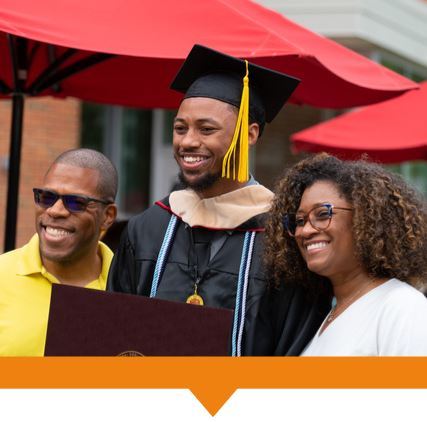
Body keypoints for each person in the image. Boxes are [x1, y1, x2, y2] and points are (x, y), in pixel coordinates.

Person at [107, 44, 329, 356]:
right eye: (180, 128)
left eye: (206, 129)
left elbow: (297, 349)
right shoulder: (148, 230)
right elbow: (115, 337)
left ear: (250, 134)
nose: (188, 142)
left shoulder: (287, 239)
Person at [265, 153, 427, 356]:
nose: (305, 231)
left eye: (323, 214)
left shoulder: (401, 307)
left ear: (365, 218)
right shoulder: (326, 316)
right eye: (299, 221)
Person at [0, 148, 118, 356]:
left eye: (76, 202)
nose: (55, 210)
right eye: (47, 197)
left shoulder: (132, 288)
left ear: (107, 216)